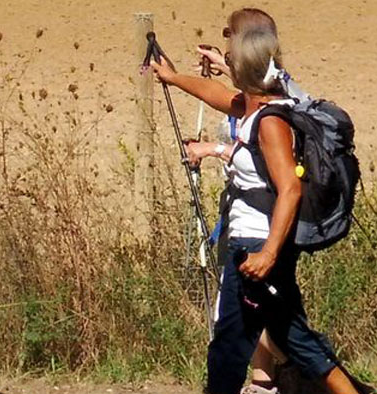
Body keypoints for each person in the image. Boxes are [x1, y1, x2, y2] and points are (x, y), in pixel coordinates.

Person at [149, 28, 356, 394]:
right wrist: (173, 77)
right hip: (257, 244)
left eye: (230, 58)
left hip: (258, 246)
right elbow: (220, 96)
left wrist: (268, 253)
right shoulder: (257, 107)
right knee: (287, 339)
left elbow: (290, 188)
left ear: (245, 69)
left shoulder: (271, 122)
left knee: (235, 346)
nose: (225, 61)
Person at [194, 8, 308, 394]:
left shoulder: (272, 111)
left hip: (260, 231)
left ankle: (286, 379)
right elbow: (246, 92)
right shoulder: (270, 89)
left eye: (230, 43)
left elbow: (281, 178)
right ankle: (269, 381)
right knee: (278, 326)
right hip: (255, 226)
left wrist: (212, 149)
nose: (226, 47)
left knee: (253, 332)